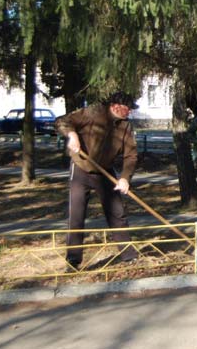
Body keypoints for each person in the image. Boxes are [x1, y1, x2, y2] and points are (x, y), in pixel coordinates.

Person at [55, 91, 140, 271]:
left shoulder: (125, 126)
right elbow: (63, 121)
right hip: (81, 168)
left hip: (105, 171)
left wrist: (125, 178)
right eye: (128, 108)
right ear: (116, 106)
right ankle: (73, 260)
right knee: (76, 215)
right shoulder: (93, 112)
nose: (130, 112)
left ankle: (129, 255)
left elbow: (131, 155)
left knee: (117, 213)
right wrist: (72, 135)